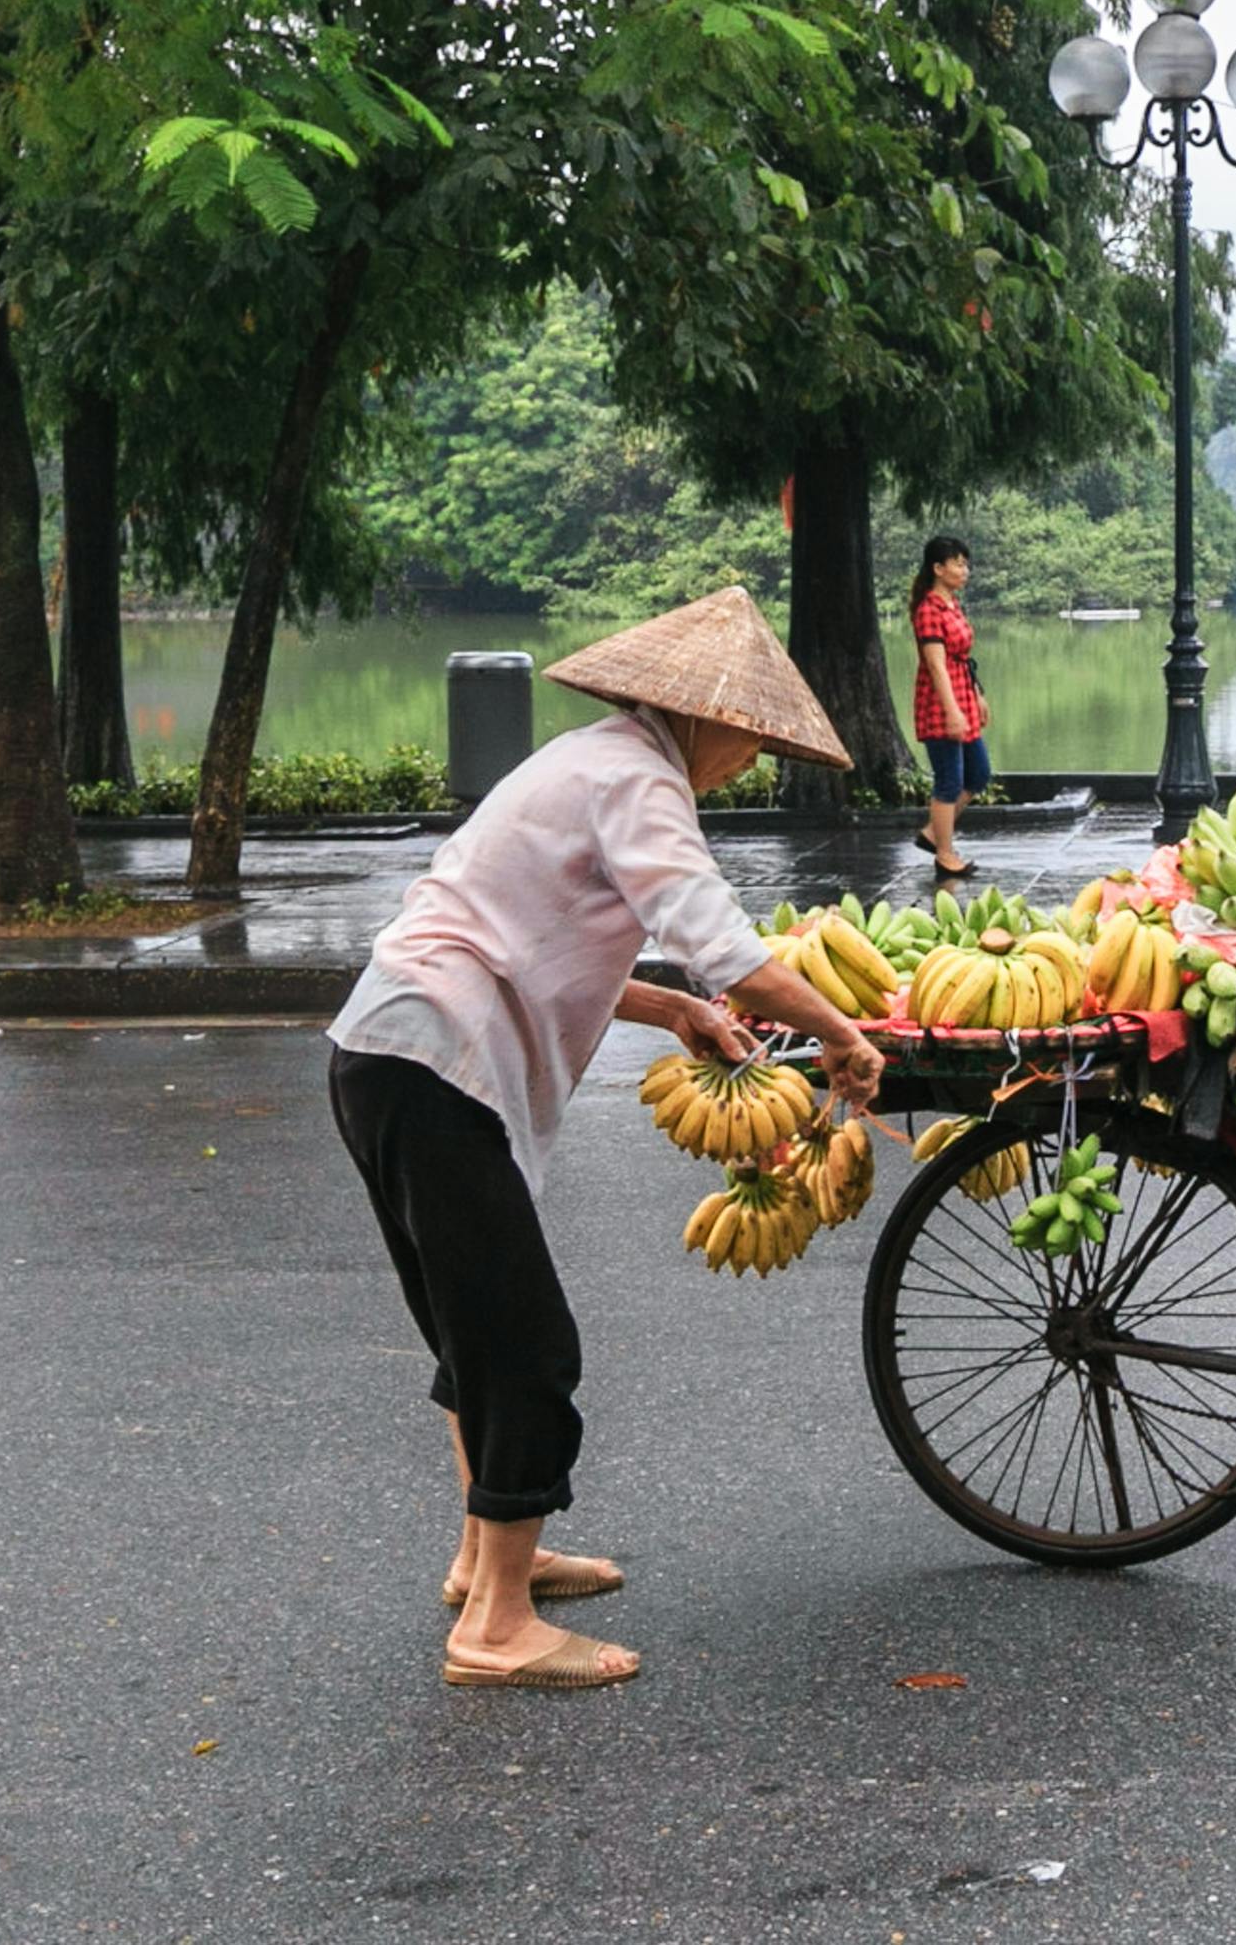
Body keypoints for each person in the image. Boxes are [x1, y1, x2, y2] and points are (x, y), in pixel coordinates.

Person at [325, 588, 887, 1691]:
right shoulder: (642, 780)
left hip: (390, 1054)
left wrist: (669, 1009)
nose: (752, 764)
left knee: (473, 1335)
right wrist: (837, 1031)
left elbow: (535, 930)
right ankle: (494, 1628)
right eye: (754, 743)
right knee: (529, 1349)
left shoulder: (590, 759)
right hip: (432, 1062)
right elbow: (719, 940)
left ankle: (486, 1567)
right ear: (708, 717)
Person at [910, 535, 988, 879]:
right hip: (941, 703)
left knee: (979, 773)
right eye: (957, 563)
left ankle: (932, 832)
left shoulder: (953, 604)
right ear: (938, 569)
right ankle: (944, 853)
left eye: (964, 563)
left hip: (963, 695)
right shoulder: (929, 609)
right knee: (949, 781)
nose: (964, 570)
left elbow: (961, 660)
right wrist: (952, 710)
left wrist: (977, 695)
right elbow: (936, 664)